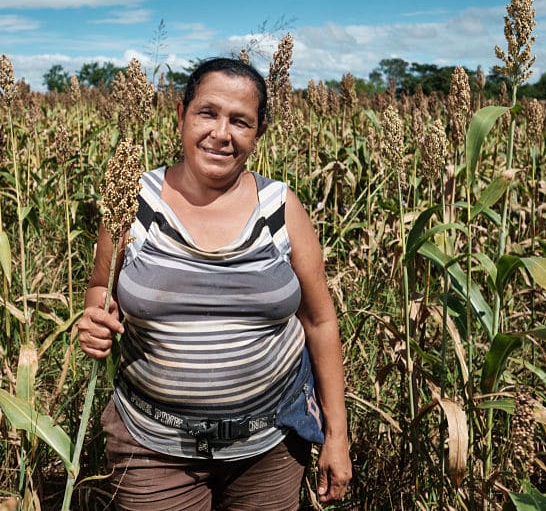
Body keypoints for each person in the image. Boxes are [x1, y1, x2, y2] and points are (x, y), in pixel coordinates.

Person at [78, 57, 352, 509]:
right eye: (208, 113)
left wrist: (335, 436)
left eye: (240, 121)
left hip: (271, 447)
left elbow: (320, 322)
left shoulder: (280, 207)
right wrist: (96, 319)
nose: (221, 133)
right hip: (151, 447)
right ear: (181, 114)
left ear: (258, 133)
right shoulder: (133, 201)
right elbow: (99, 286)